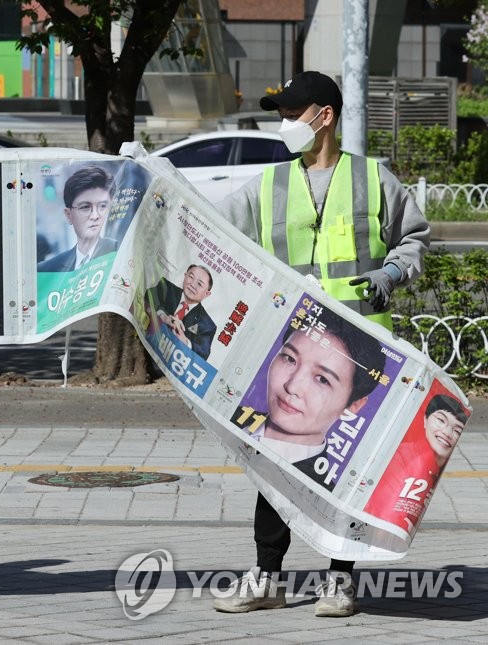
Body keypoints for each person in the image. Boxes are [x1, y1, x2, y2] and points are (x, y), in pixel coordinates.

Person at [214, 71, 431, 618]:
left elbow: (414, 239)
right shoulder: (268, 187)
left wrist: (389, 275)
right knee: (275, 462)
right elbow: (215, 232)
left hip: (358, 360)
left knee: (346, 468)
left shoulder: (372, 180)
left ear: (324, 115)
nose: (285, 123)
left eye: (293, 112)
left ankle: (340, 580)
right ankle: (267, 576)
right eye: (282, 114)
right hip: (285, 353)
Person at [246, 310, 385, 490]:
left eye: (322, 379)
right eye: (289, 359)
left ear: (352, 405)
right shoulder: (231, 416)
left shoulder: (323, 493)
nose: (292, 387)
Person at [363, 394, 468, 532]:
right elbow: (385, 517)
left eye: (457, 430)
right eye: (441, 420)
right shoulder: (400, 456)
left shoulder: (435, 466)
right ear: (425, 419)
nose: (447, 432)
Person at [37, 165, 118, 272]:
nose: (95, 216)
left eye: (102, 206)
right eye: (85, 207)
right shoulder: (49, 269)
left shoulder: (120, 252)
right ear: (69, 215)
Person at [146, 264, 217, 359]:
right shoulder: (166, 287)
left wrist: (185, 343)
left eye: (199, 284)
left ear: (207, 294)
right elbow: (147, 296)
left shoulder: (208, 325)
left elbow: (203, 353)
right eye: (191, 277)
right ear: (185, 276)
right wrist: (162, 315)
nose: (193, 285)